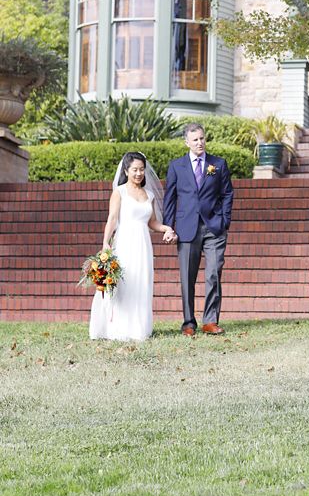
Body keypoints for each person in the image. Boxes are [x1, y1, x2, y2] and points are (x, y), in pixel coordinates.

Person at [89, 151, 176, 342]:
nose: (139, 173)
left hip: (143, 246)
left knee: (141, 283)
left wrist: (166, 228)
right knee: (124, 283)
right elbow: (112, 219)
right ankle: (117, 328)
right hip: (124, 243)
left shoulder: (149, 195)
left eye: (141, 169)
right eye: (135, 169)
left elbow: (152, 222)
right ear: (126, 171)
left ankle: (139, 328)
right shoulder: (119, 192)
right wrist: (105, 243)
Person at [163, 123, 234, 336]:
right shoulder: (176, 166)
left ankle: (210, 321)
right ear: (187, 142)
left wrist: (224, 221)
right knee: (187, 277)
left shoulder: (218, 164)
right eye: (195, 140)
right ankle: (188, 323)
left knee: (213, 273)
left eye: (202, 138)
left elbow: (227, 194)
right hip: (186, 228)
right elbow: (170, 199)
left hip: (214, 228)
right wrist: (169, 227)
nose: (200, 142)